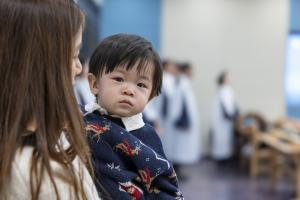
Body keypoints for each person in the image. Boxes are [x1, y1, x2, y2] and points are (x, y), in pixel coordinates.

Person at [0, 0, 100, 199]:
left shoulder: (47, 138)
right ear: (41, 65)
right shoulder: (32, 171)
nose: (79, 67)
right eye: (74, 55)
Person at [82, 34, 184, 199]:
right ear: (95, 84)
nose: (129, 90)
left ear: (150, 97)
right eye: (119, 79)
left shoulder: (147, 137)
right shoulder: (78, 119)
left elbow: (164, 186)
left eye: (141, 85)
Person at [170, 62, 202, 178]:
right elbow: (181, 104)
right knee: (180, 147)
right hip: (182, 122)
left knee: (181, 146)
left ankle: (178, 170)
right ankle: (177, 171)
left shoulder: (184, 83)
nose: (193, 73)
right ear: (186, 70)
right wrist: (184, 120)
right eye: (191, 70)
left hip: (183, 121)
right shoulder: (182, 83)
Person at [211, 70, 239, 162]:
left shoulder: (222, 89)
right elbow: (228, 106)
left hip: (223, 120)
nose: (231, 79)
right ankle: (223, 158)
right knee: (223, 140)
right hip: (224, 120)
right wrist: (233, 115)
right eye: (228, 77)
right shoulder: (225, 90)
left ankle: (222, 157)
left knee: (222, 139)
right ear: (224, 79)